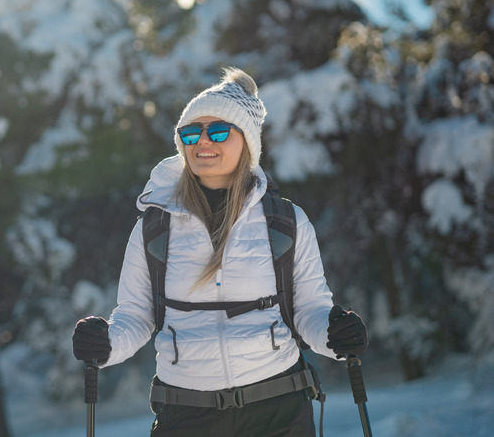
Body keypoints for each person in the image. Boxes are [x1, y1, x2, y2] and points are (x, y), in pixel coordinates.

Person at [72, 67, 368, 436]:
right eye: (191, 132)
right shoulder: (154, 225)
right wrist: (106, 344)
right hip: (186, 412)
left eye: (218, 130)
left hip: (278, 408)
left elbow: (310, 308)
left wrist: (335, 334)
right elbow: (136, 314)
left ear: (247, 141)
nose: (202, 141)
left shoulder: (285, 221)